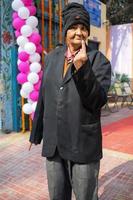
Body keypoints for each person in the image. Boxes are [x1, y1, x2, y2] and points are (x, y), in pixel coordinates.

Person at [29, 3, 111, 200]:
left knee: (85, 196)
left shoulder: (98, 60)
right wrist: (36, 133)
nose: (79, 32)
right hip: (54, 143)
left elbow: (97, 100)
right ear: (65, 31)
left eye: (83, 28)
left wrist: (83, 68)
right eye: (73, 27)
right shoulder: (52, 58)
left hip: (82, 143)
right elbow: (43, 96)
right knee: (57, 195)